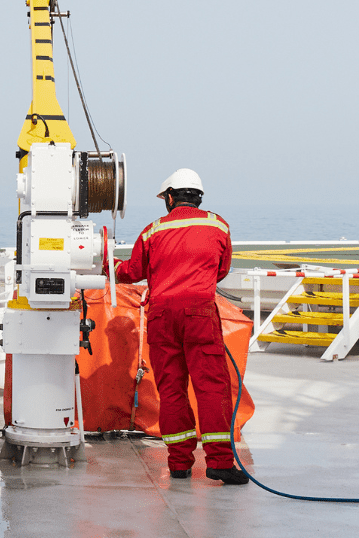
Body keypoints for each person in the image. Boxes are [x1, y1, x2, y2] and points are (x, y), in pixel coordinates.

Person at [114, 168, 250, 485]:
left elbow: (132, 272)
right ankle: (219, 463)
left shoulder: (152, 231)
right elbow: (221, 269)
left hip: (162, 317)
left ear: (171, 197)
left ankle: (178, 465)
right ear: (199, 197)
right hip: (201, 314)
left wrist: (111, 266)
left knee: (172, 390)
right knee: (212, 387)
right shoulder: (218, 225)